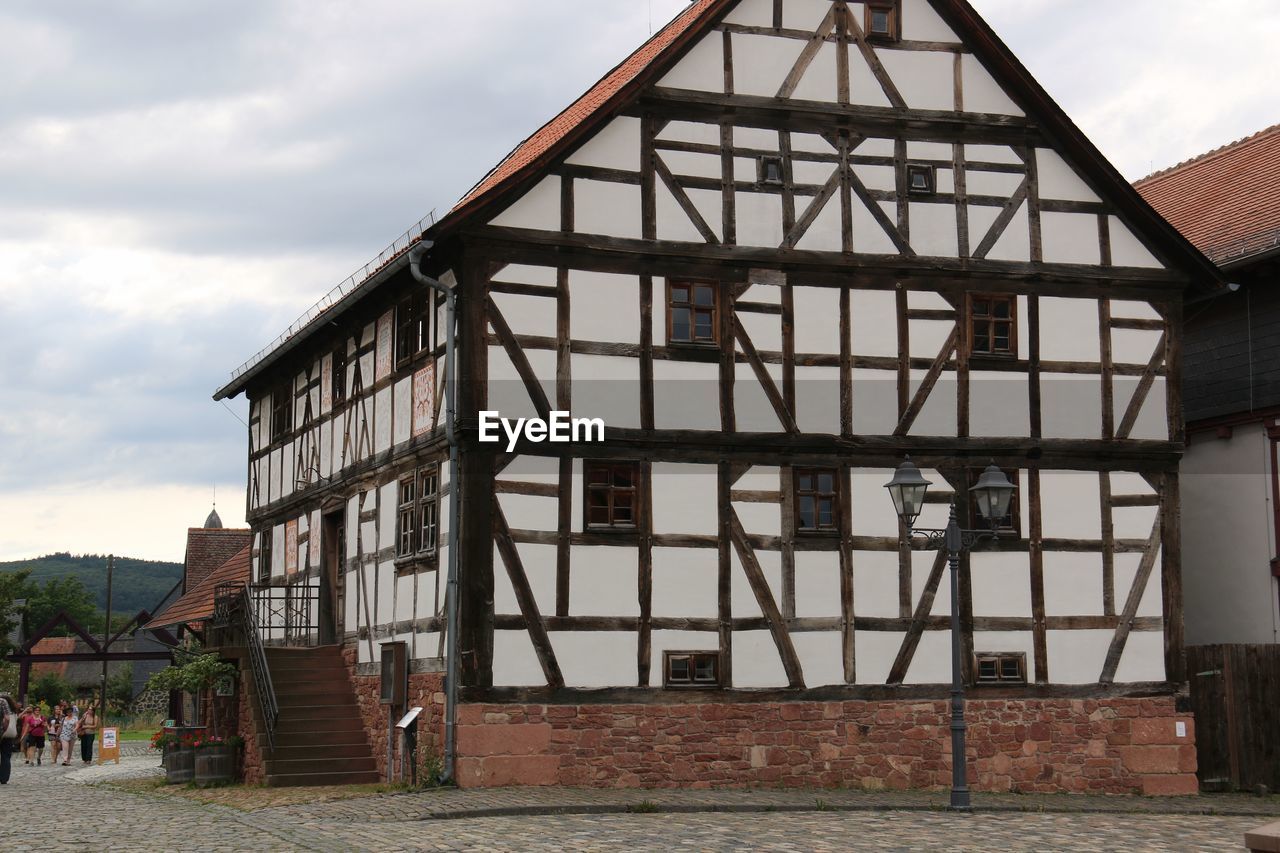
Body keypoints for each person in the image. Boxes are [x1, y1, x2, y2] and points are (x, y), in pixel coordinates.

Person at [0, 693, 17, 784]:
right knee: (6, 756)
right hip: (8, 735)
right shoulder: (13, 711)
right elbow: (9, 719)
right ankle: (4, 778)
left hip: (3, 732)